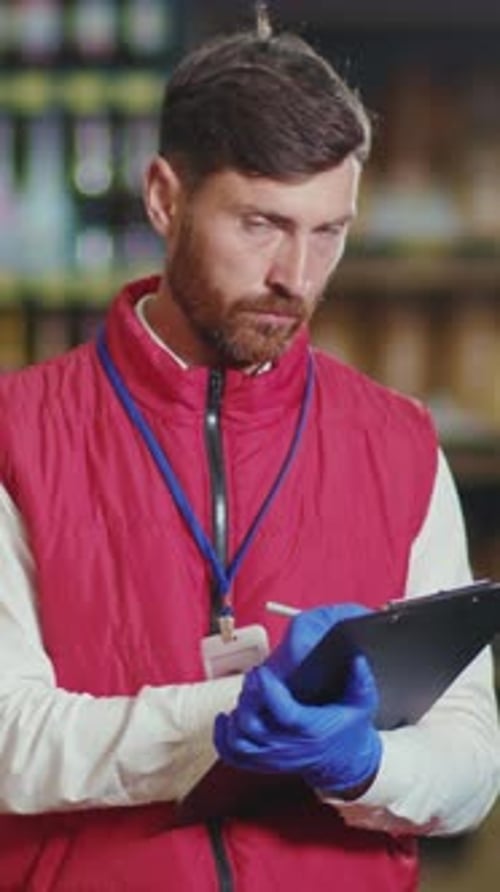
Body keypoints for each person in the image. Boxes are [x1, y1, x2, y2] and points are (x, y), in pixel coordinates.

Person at [0, 10, 498, 892]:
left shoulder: (399, 443)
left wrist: (364, 768)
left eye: (329, 232)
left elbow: (471, 760)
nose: (296, 277)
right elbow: (10, 739)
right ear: (164, 198)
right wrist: (225, 717)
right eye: (262, 224)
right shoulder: (18, 435)